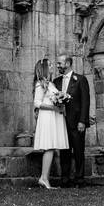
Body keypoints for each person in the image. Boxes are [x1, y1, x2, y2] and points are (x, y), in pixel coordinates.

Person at [53, 54, 90, 186]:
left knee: (79, 150)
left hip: (76, 122)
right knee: (64, 151)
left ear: (67, 63)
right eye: (57, 64)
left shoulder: (80, 79)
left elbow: (85, 102)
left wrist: (82, 121)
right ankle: (65, 178)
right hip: (61, 122)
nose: (58, 66)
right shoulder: (56, 81)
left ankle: (80, 178)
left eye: (59, 63)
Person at [32, 58, 68, 189]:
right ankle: (43, 178)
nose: (53, 66)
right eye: (50, 65)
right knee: (49, 146)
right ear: (45, 68)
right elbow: (37, 103)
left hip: (53, 117)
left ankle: (44, 178)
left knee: (51, 147)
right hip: (47, 117)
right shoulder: (40, 84)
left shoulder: (50, 84)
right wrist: (53, 108)